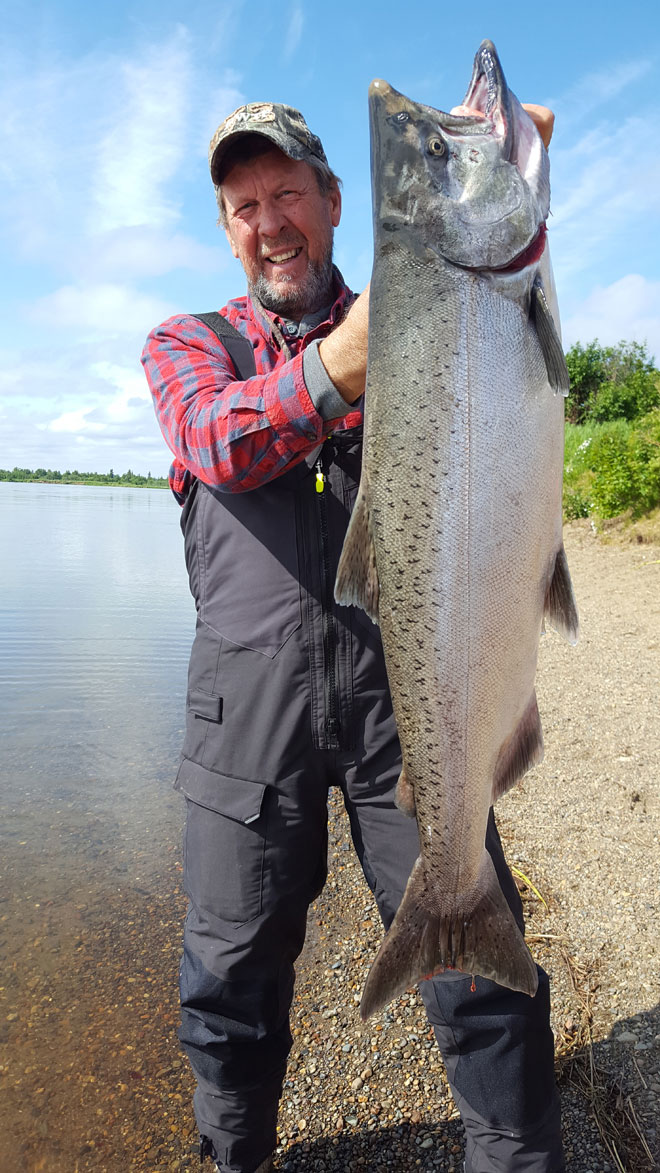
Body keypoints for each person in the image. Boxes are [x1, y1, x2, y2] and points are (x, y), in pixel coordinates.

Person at [141, 99, 564, 1173]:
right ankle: (234, 1157)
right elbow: (220, 444)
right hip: (244, 718)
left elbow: (511, 364)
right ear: (226, 229)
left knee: (481, 978)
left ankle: (519, 1154)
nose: (270, 221)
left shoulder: (423, 312)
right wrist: (346, 362)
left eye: (288, 193)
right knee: (229, 975)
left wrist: (504, 168)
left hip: (407, 702)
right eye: (244, 206)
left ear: (335, 203)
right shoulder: (188, 345)